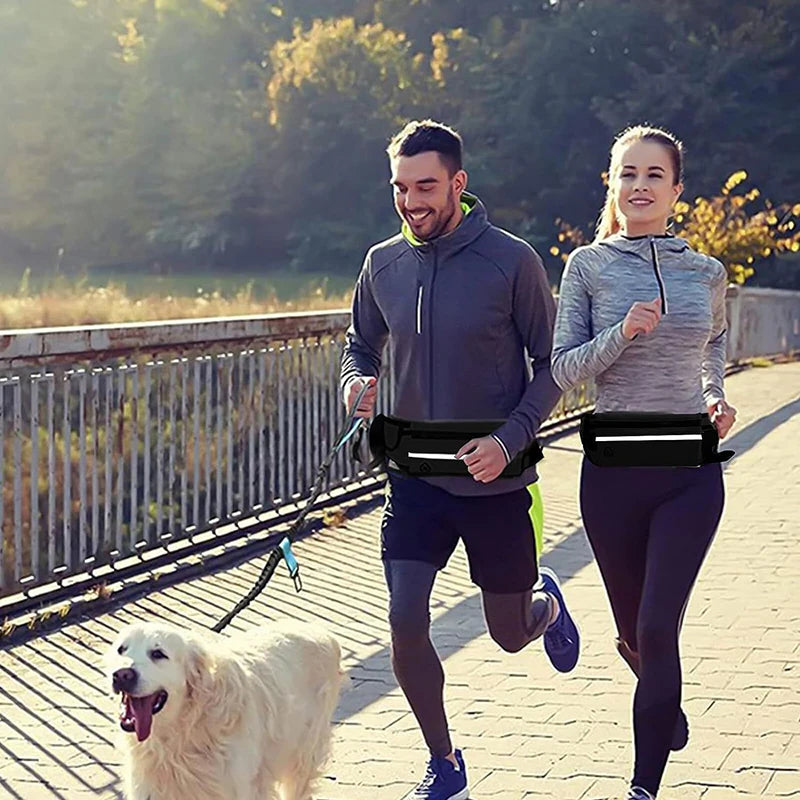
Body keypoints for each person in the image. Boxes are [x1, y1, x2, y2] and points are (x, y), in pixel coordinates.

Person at [340, 119, 580, 800]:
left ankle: (546, 609)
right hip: (413, 477)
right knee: (405, 618)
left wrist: (508, 439)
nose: (412, 201)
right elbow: (358, 345)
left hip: (496, 482)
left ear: (458, 184)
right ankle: (445, 763)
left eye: (426, 186)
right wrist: (354, 383)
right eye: (400, 188)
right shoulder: (382, 262)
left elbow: (553, 365)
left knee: (507, 634)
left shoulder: (512, 261)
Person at [551, 124, 737, 800]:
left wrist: (717, 398)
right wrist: (620, 332)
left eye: (654, 175)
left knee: (660, 627)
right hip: (612, 476)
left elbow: (713, 347)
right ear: (613, 184)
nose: (640, 186)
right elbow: (564, 369)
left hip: (689, 471)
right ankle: (663, 700)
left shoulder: (706, 271)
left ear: (676, 189)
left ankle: (642, 788)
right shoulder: (588, 267)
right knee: (637, 636)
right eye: (627, 174)